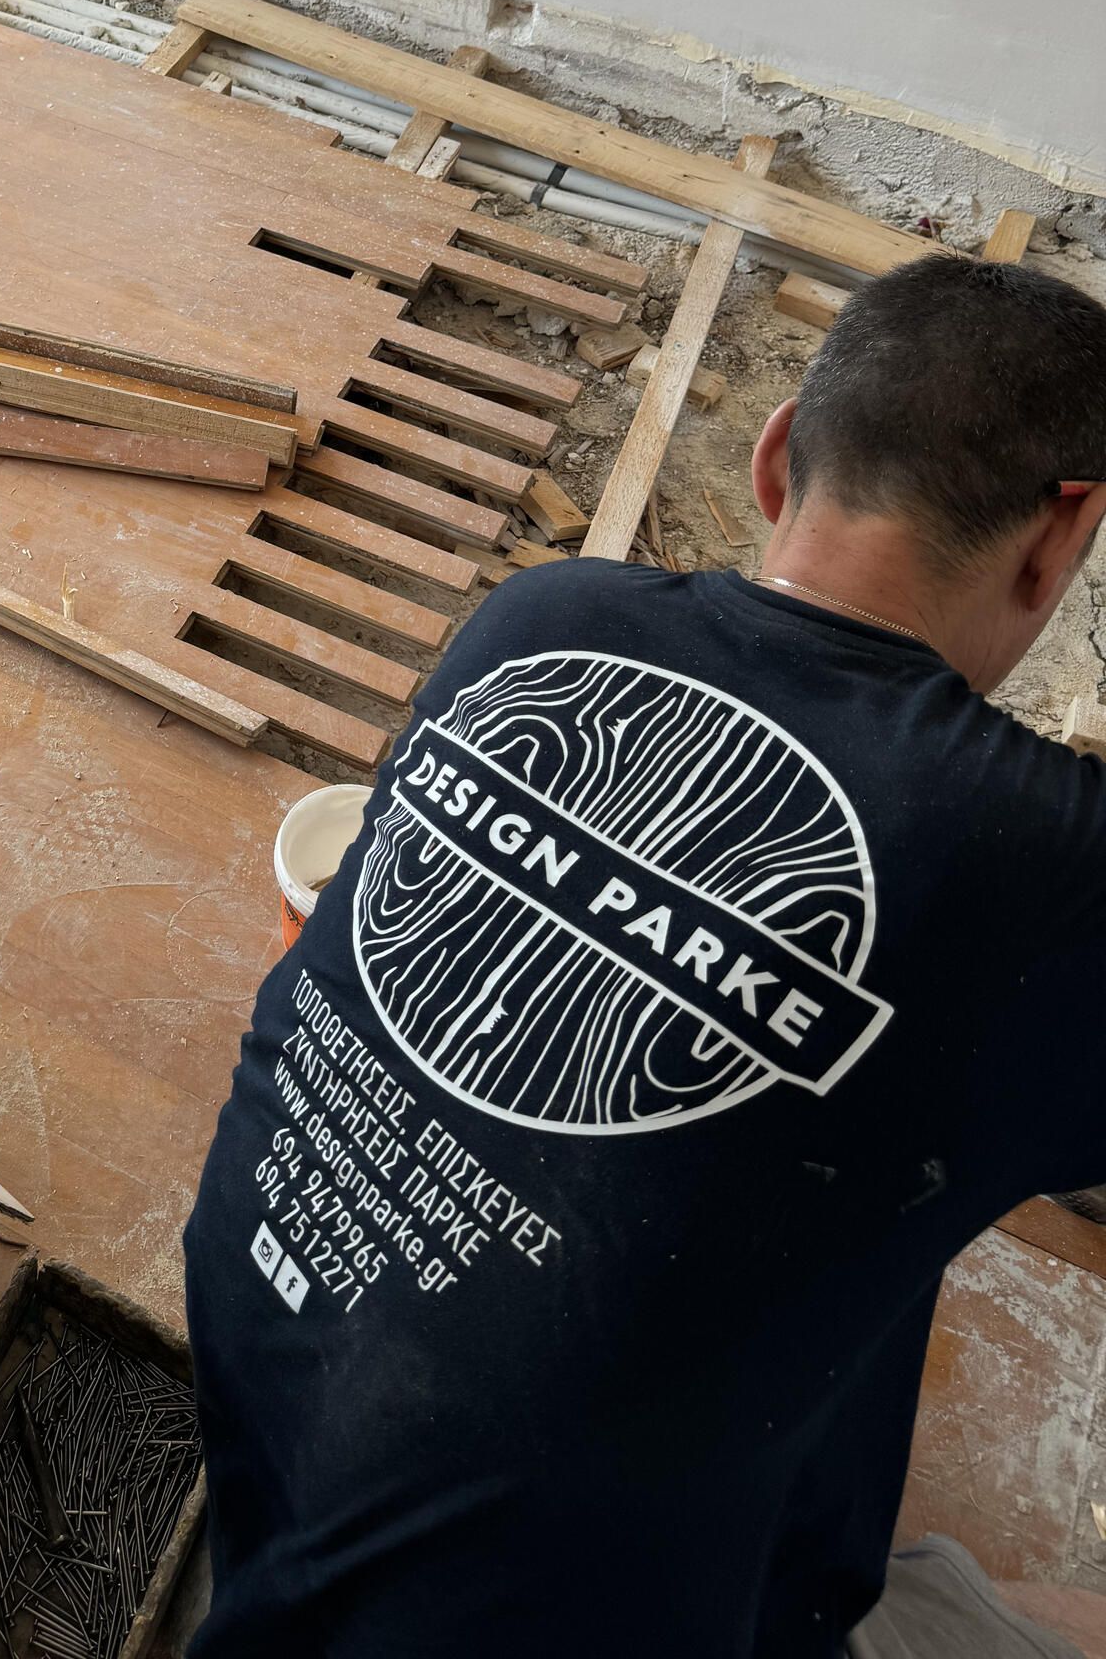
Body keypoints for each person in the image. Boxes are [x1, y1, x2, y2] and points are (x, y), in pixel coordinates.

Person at [183, 253, 1106, 1658]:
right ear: (1060, 539)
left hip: (278, 1461)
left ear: (777, 456)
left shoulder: (542, 615)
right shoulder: (1037, 861)